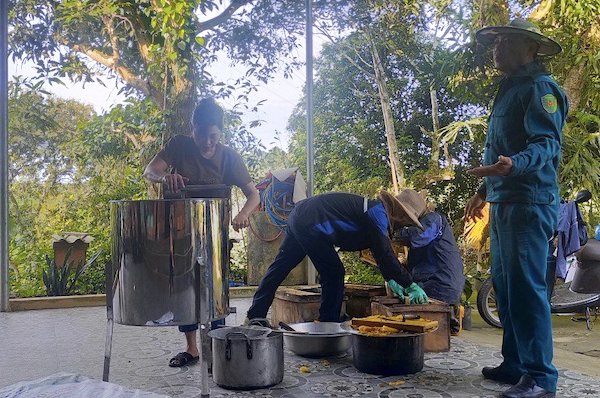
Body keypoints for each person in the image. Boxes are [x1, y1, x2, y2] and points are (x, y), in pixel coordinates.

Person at [464, 19, 567, 398]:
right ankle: (516, 364)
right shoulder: (509, 89)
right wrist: (482, 190)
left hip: (529, 203)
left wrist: (515, 166)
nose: (496, 49)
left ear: (529, 49)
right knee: (505, 289)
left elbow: (546, 144)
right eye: (495, 43)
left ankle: (540, 378)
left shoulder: (542, 89)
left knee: (526, 290)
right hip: (504, 202)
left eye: (504, 42)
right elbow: (500, 151)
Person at [143, 97, 260, 367]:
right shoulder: (178, 146)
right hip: (180, 231)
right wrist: (164, 177)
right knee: (185, 288)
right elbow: (150, 170)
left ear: (220, 133)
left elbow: (254, 194)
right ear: (192, 127)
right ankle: (192, 349)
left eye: (213, 136)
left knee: (215, 289)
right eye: (202, 135)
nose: (208, 142)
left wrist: (243, 214)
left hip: (215, 234)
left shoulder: (228, 157)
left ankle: (216, 347)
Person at [246, 190, 429, 324]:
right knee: (334, 272)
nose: (404, 224)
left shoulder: (373, 212)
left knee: (281, 266)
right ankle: (328, 324)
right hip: (311, 220)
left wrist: (391, 278)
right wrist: (409, 283)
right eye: (406, 219)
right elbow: (385, 253)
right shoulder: (377, 213)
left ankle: (255, 316)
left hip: (301, 216)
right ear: (399, 213)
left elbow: (380, 254)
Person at [390, 191, 465, 334]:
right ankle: (446, 318)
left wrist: (391, 234)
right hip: (434, 283)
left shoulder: (434, 219)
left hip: (440, 284)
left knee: (399, 317)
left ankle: (445, 316)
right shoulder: (426, 224)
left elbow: (419, 236)